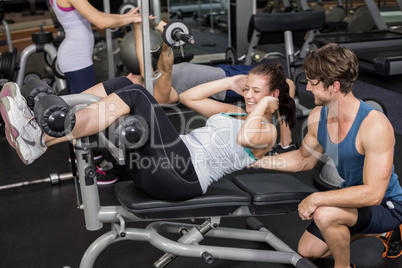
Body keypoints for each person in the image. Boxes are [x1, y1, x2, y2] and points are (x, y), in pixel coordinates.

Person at [0, 63, 295, 201]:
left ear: (274, 95)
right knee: (120, 84)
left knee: (137, 95)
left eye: (257, 92)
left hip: (182, 176)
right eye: (249, 89)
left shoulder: (265, 132)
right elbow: (189, 98)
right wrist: (230, 83)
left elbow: (245, 137)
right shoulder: (235, 113)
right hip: (157, 166)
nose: (250, 96)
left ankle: (41, 136)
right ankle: (45, 117)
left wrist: (267, 105)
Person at [251, 43, 402, 268]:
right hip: (351, 197)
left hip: (386, 204)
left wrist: (317, 198)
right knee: (308, 251)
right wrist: (256, 161)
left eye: (313, 83)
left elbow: (373, 195)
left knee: (325, 215)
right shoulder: (318, 116)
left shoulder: (374, 126)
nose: (308, 89)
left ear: (335, 86)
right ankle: (382, 233)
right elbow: (303, 159)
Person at [127, 20, 298, 153]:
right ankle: (285, 143)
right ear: (135, 89)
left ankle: (277, 137)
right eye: (127, 80)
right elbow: (166, 68)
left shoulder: (149, 78)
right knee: (287, 83)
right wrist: (168, 41)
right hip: (228, 83)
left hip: (222, 71)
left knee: (281, 82)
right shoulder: (157, 93)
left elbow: (142, 54)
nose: (129, 75)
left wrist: (137, 25)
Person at [48, 1, 153, 184]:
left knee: (79, 109)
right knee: (83, 113)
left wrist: (129, 17)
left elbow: (96, 14)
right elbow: (101, 21)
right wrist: (133, 19)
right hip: (77, 58)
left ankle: (79, 157)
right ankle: (88, 171)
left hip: (76, 56)